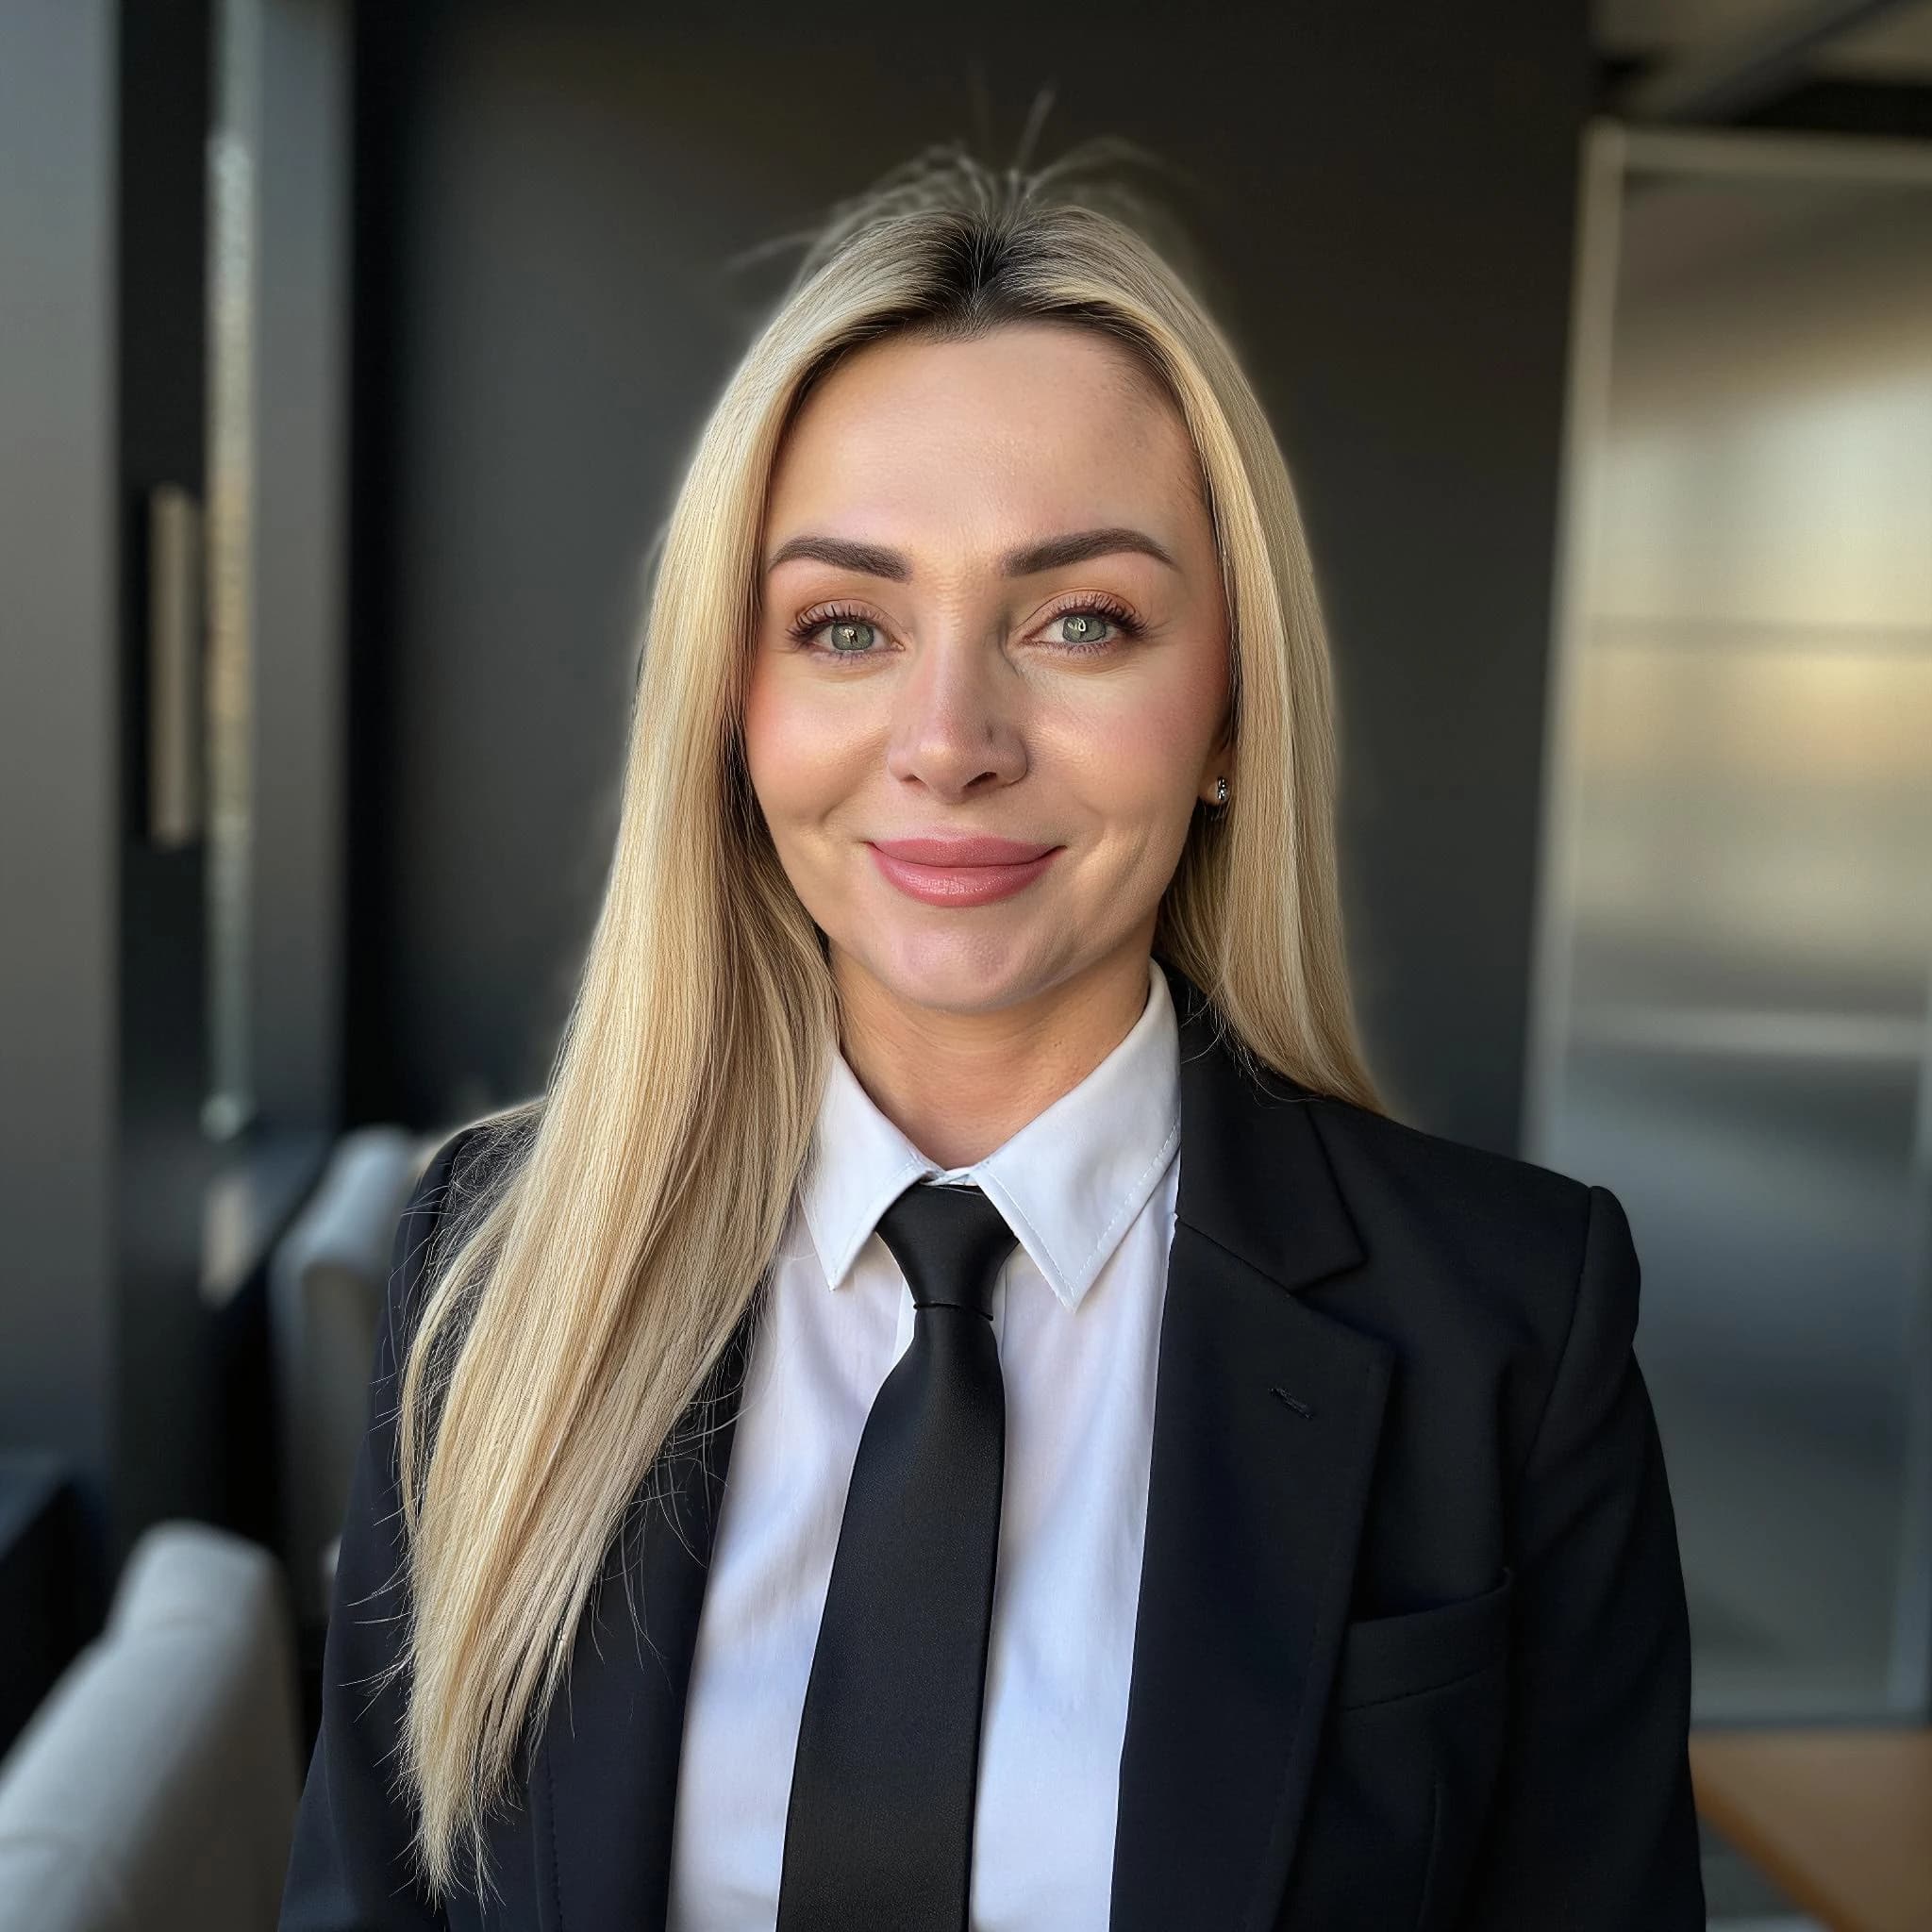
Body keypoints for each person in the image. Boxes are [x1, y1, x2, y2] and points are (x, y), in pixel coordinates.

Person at [280, 140, 1705, 1932]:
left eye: (1082, 621)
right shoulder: (495, 1262)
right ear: (733, 708)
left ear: (1230, 712)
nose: (951, 739)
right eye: (846, 626)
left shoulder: (1505, 1325)